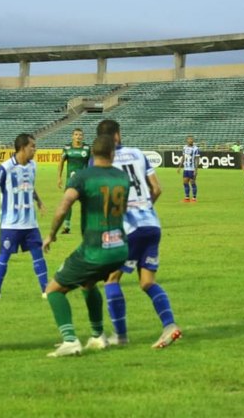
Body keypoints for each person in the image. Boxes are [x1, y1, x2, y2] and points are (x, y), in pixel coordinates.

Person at [42, 134, 130, 357]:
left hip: (94, 250)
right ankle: (98, 336)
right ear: (112, 153)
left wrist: (51, 234)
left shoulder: (83, 177)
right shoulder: (122, 177)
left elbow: (64, 206)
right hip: (120, 249)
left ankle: (70, 340)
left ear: (92, 153)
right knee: (88, 284)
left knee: (53, 290)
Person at [97, 119, 182, 349]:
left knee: (111, 278)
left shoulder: (103, 161)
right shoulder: (138, 153)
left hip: (127, 228)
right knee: (146, 282)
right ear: (118, 134)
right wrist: (144, 207)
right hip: (152, 225)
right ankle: (169, 325)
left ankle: (121, 336)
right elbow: (157, 188)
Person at [0, 133, 49, 301]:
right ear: (22, 148)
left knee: (38, 255)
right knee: (4, 256)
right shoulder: (5, 168)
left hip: (30, 223)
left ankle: (45, 290)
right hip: (10, 224)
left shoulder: (33, 166)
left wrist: (39, 202)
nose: (35, 149)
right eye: (32, 146)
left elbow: (29, 187)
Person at [56, 128, 90, 234]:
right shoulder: (67, 148)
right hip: (70, 181)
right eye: (76, 134)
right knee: (68, 203)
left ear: (82, 136)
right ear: (72, 136)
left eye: (80, 135)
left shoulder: (87, 148)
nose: (78, 136)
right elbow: (61, 163)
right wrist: (59, 177)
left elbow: (92, 163)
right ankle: (67, 226)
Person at [181, 135, 201, 202]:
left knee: (192, 182)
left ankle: (194, 198)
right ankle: (187, 198)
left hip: (192, 169)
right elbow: (183, 157)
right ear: (187, 140)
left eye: (191, 139)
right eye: (189, 139)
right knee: (185, 182)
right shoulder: (184, 148)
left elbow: (197, 159)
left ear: (193, 140)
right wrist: (179, 166)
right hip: (186, 169)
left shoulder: (196, 149)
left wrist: (196, 170)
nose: (190, 140)